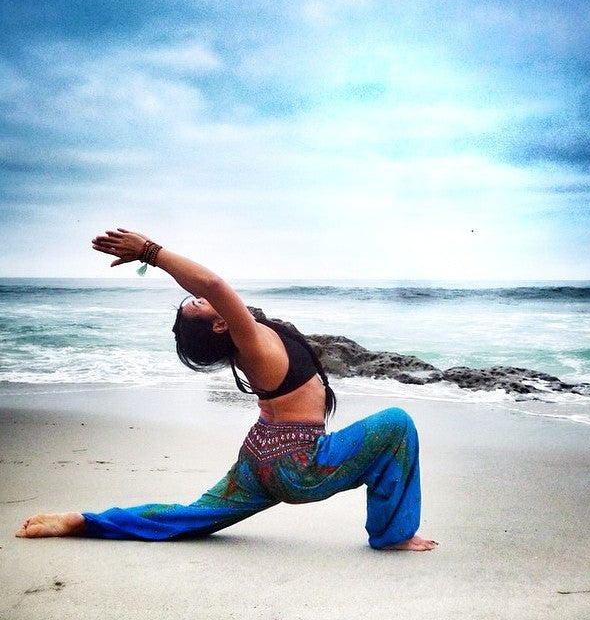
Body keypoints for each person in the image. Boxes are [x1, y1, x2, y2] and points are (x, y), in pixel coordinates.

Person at [15, 228, 437, 551]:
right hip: (298, 466)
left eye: (194, 298)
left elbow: (213, 290)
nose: (198, 295)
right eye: (196, 302)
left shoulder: (250, 341)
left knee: (189, 517)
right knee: (397, 424)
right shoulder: (249, 340)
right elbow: (214, 285)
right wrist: (151, 252)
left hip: (258, 458)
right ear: (220, 324)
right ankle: (393, 535)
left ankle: (84, 521)